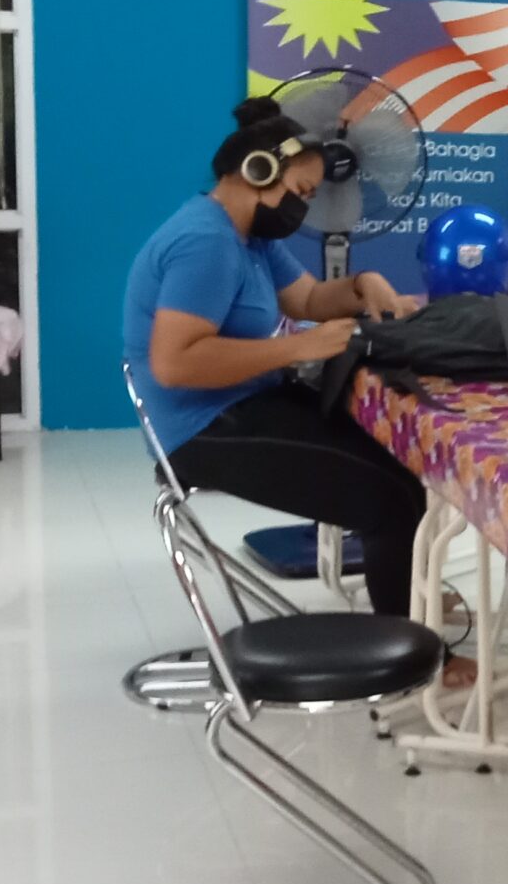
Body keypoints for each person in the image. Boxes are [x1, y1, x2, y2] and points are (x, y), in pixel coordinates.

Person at [123, 98, 468, 680]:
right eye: (302, 193)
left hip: (242, 400)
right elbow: (174, 364)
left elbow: (307, 299)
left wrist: (362, 285)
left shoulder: (248, 237)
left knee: (398, 460)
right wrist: (298, 348)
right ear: (257, 172)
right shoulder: (207, 244)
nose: (304, 208)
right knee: (388, 499)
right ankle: (412, 659)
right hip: (201, 431)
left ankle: (411, 601)